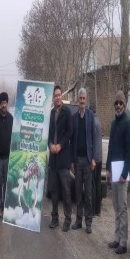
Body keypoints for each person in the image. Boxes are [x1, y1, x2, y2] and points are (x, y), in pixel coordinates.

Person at [106, 90, 130, 255]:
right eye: (116, 103)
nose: (118, 105)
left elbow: (129, 152)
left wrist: (124, 173)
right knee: (116, 206)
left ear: (124, 104)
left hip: (122, 172)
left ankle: (123, 242)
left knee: (122, 207)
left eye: (120, 103)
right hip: (113, 170)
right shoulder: (114, 123)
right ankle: (116, 238)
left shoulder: (128, 123)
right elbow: (110, 148)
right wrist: (108, 169)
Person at [48, 85, 73, 232]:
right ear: (53, 98)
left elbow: (69, 133)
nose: (57, 97)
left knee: (66, 190)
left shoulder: (67, 112)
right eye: (55, 95)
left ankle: (68, 219)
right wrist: (50, 144)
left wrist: (60, 146)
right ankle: (54, 218)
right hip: (53, 159)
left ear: (61, 96)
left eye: (59, 95)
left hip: (63, 158)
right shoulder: (51, 113)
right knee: (54, 190)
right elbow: (48, 134)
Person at [71, 88, 96, 234]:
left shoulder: (91, 116)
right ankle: (78, 220)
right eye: (80, 98)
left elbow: (93, 137)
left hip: (87, 160)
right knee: (78, 192)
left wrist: (93, 158)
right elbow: (72, 140)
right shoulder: (74, 117)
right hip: (77, 159)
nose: (81, 101)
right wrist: (72, 160)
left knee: (88, 192)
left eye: (83, 98)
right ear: (78, 99)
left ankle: (89, 222)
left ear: (86, 100)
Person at [0, 92, 13, 218]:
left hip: (8, 157)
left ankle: (6, 206)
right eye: (2, 103)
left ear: (7, 103)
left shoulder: (12, 118)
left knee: (7, 183)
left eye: (5, 102)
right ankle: (0, 207)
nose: (4, 105)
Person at [90, 105, 102, 216]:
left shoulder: (92, 122)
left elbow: (92, 141)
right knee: (98, 184)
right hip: (100, 158)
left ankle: (93, 210)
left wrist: (91, 157)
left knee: (92, 184)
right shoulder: (99, 121)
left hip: (94, 158)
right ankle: (98, 210)